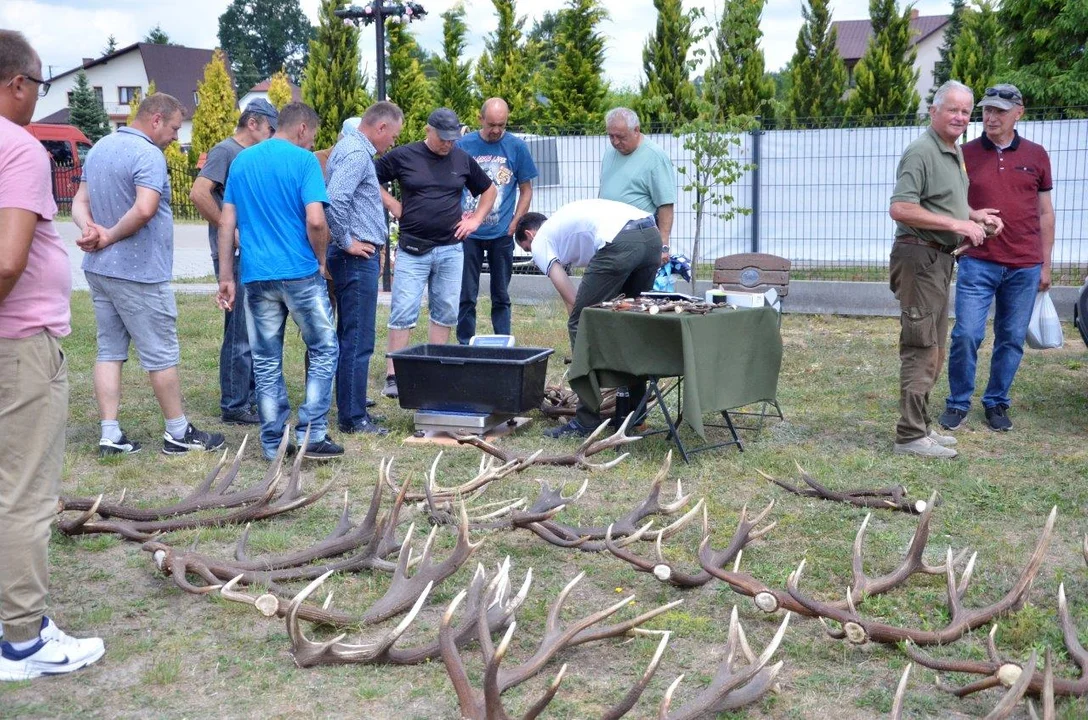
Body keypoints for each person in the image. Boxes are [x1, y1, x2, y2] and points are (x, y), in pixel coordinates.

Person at [0, 29, 105, 681]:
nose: (40, 99)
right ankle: (22, 641)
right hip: (20, 346)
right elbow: (10, 259)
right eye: (40, 86)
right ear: (17, 83)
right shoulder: (19, 149)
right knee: (26, 494)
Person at [72, 92, 225, 457]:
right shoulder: (148, 154)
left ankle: (109, 432)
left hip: (99, 271)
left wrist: (88, 228)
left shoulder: (99, 149)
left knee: (109, 350)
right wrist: (106, 234)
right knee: (161, 353)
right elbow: (145, 209)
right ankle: (177, 432)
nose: (175, 136)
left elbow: (79, 201)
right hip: (138, 273)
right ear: (156, 119)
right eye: (173, 128)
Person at [216, 102, 342, 461]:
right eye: (313, 135)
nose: (311, 141)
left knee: (266, 359)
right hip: (300, 273)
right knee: (324, 348)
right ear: (302, 128)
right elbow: (316, 221)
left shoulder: (242, 161)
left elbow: (227, 223)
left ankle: (273, 444)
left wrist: (227, 276)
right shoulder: (304, 163)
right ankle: (313, 433)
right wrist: (320, 259)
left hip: (256, 276)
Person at [888, 80, 1003, 459]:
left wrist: (973, 215)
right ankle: (909, 436)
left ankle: (921, 427)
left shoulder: (951, 151)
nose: (959, 117)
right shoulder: (921, 151)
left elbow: (941, 201)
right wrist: (958, 226)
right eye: (952, 109)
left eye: (965, 112)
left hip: (938, 260)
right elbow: (901, 208)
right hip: (919, 258)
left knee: (935, 348)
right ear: (933, 111)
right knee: (921, 348)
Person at [939, 84, 1055, 433]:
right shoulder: (964, 154)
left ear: (1018, 112)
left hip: (1025, 264)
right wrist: (972, 216)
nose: (991, 116)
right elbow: (949, 203)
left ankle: (997, 402)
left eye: (1000, 111)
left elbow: (1045, 212)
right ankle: (958, 402)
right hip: (979, 260)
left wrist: (1046, 264)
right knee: (967, 334)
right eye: (987, 109)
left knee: (1011, 338)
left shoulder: (1037, 155)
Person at [515, 199, 662, 437]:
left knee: (581, 322)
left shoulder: (541, 242)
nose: (533, 256)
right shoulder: (563, 224)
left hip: (621, 241)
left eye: (527, 250)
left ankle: (586, 420)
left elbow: (572, 299)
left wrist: (579, 329)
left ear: (530, 235)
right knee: (630, 321)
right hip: (651, 236)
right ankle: (636, 416)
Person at [375, 107, 496, 398]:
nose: (448, 144)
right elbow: (370, 177)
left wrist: (476, 220)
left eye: (453, 139)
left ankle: (434, 366)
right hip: (413, 249)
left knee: (446, 310)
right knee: (403, 311)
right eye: (443, 138)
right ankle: (395, 374)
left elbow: (489, 190)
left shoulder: (461, 159)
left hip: (451, 250)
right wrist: (392, 204)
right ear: (428, 131)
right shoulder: (404, 155)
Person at [189, 98, 278, 426]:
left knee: (253, 329)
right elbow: (199, 193)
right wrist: (233, 231)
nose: (272, 135)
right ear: (253, 122)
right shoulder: (226, 151)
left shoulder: (252, 154)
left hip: (254, 255)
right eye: (270, 128)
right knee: (240, 332)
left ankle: (248, 395)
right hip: (235, 256)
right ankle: (235, 404)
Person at [325, 102, 403, 435]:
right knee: (358, 339)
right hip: (356, 259)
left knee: (352, 336)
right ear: (381, 127)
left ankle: (353, 406)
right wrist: (346, 241)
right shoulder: (357, 154)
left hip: (356, 257)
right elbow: (335, 198)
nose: (392, 144)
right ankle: (353, 418)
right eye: (394, 136)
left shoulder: (349, 148)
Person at [455, 97, 538, 344]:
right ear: (480, 119)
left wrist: (515, 223)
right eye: (491, 124)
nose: (496, 130)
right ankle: (464, 343)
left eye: (501, 125)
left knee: (500, 294)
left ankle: (503, 343)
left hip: (501, 233)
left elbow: (526, 189)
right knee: (466, 294)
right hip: (469, 234)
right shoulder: (464, 145)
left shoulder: (517, 147)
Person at [599, 107, 677, 247]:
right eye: (611, 136)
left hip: (638, 239)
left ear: (636, 130)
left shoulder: (655, 156)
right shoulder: (610, 152)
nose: (615, 142)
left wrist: (663, 245)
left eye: (621, 137)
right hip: (608, 235)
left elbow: (665, 204)